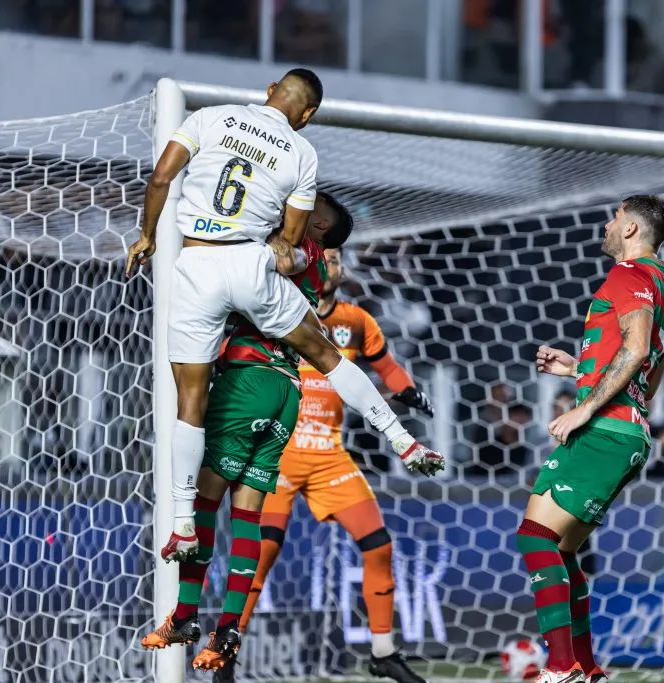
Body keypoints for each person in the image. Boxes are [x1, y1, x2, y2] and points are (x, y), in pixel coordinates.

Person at [125, 69, 443, 562]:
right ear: (308, 115)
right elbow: (290, 241)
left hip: (195, 264)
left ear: (272, 89)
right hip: (249, 267)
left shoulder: (210, 117)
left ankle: (183, 523)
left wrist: (147, 236)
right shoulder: (300, 153)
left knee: (190, 399)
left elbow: (162, 177)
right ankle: (402, 441)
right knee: (325, 352)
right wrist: (283, 246)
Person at [137, 191, 352, 666]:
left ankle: (186, 614)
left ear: (319, 228)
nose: (296, 210)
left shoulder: (285, 253)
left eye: (311, 211)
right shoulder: (310, 266)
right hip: (288, 390)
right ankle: (229, 629)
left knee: (203, 502)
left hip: (249, 379)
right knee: (249, 514)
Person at [227, 243, 434, 683]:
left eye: (339, 259)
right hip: (277, 451)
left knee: (378, 546)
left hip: (329, 456)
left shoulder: (356, 322)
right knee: (261, 553)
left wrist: (409, 390)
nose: (333, 265)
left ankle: (383, 652)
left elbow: (386, 366)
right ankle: (226, 649)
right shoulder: (273, 308)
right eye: (328, 257)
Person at [523, 196, 664, 683]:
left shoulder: (628, 277)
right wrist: (577, 370)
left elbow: (633, 350)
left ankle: (561, 666)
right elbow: (647, 381)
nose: (607, 225)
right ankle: (587, 669)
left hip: (604, 429)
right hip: (628, 430)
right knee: (562, 549)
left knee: (535, 537)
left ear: (631, 229)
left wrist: (585, 407)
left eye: (614, 217)